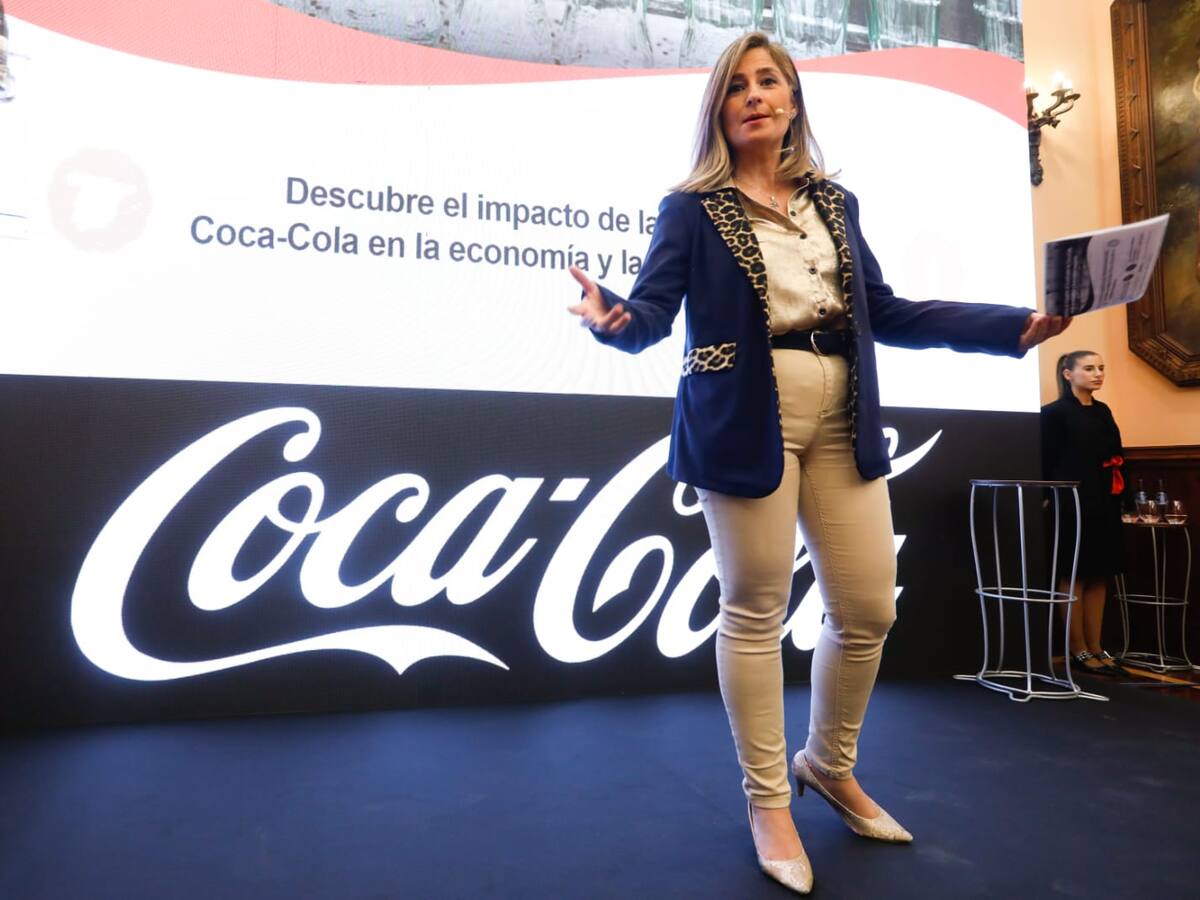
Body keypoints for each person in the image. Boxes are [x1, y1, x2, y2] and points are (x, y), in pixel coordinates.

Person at [566, 32, 1070, 894]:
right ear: (719, 110)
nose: (754, 95)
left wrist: (1007, 328)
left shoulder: (836, 202)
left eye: (769, 81)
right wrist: (615, 320)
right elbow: (650, 313)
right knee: (755, 608)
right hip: (742, 418)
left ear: (794, 100)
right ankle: (768, 801)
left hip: (844, 411)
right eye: (737, 86)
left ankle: (828, 765)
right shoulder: (691, 208)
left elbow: (886, 310)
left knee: (868, 607)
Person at [1040, 351, 1125, 676]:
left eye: (1101, 368)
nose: (1098, 373)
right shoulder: (1054, 413)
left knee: (1100, 573)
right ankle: (1077, 649)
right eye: (1089, 368)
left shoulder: (1103, 410)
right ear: (1068, 374)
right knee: (1073, 574)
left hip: (1104, 501)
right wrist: (1048, 498)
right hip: (1071, 502)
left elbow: (1114, 455)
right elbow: (1047, 460)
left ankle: (1097, 646)